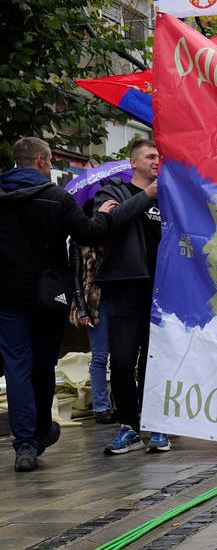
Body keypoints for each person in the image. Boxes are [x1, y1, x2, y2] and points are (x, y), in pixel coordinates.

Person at [0, 137, 125, 472]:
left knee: (16, 367)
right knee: (42, 366)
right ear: (41, 161)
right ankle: (39, 434)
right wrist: (102, 214)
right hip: (47, 295)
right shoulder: (56, 197)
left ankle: (26, 442)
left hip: (7, 296)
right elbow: (89, 234)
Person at [95, 138, 166, 455]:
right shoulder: (113, 191)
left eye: (159, 157)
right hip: (126, 287)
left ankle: (159, 426)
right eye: (150, 156)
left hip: (163, 289)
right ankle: (129, 425)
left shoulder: (170, 196)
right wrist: (146, 198)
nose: (156, 161)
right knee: (122, 360)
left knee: (158, 360)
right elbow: (108, 223)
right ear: (133, 162)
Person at [70, 204, 116, 424]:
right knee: (99, 356)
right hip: (93, 302)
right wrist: (81, 308)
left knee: (120, 355)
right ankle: (100, 407)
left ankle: (118, 403)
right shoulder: (79, 239)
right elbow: (76, 276)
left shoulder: (113, 233)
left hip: (116, 297)